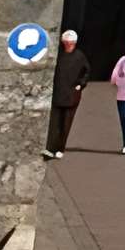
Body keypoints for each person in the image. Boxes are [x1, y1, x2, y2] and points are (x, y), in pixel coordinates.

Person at [46, 29, 87, 159]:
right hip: (58, 92)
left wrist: (80, 85)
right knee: (54, 123)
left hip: (71, 95)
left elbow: (86, 72)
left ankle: (60, 148)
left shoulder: (80, 56)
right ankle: (50, 148)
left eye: (71, 43)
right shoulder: (59, 55)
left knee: (66, 123)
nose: (69, 45)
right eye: (67, 42)